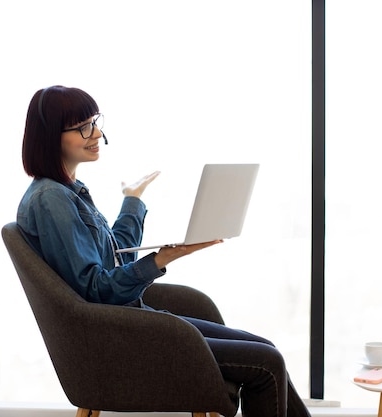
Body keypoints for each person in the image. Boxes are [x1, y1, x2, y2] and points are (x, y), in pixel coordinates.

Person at [17, 85, 311, 417]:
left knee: (266, 350)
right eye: (83, 126)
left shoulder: (68, 192)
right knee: (267, 363)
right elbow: (95, 290)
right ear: (50, 136)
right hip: (119, 338)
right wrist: (162, 258)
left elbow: (115, 261)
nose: (96, 132)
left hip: (133, 322)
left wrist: (133, 199)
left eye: (95, 121)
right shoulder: (51, 199)